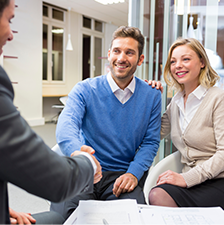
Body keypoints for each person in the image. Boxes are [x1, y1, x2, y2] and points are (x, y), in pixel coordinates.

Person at [0, 0, 102, 224]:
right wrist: (87, 160)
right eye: (9, 20)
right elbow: (56, 181)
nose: (10, 35)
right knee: (57, 220)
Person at [50, 26, 162, 219]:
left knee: (134, 218)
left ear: (140, 59)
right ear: (109, 54)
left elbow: (150, 142)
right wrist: (78, 154)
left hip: (122, 174)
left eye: (130, 53)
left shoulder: (152, 96)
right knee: (68, 217)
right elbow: (66, 124)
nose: (121, 58)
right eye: (117, 51)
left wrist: (134, 174)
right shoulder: (85, 89)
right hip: (86, 169)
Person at [147, 38, 224, 218]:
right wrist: (147, 96)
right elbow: (151, 132)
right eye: (173, 61)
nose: (178, 65)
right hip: (195, 186)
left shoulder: (220, 99)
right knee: (157, 194)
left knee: (159, 196)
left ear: (202, 62)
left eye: (185, 59)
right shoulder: (176, 103)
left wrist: (185, 178)